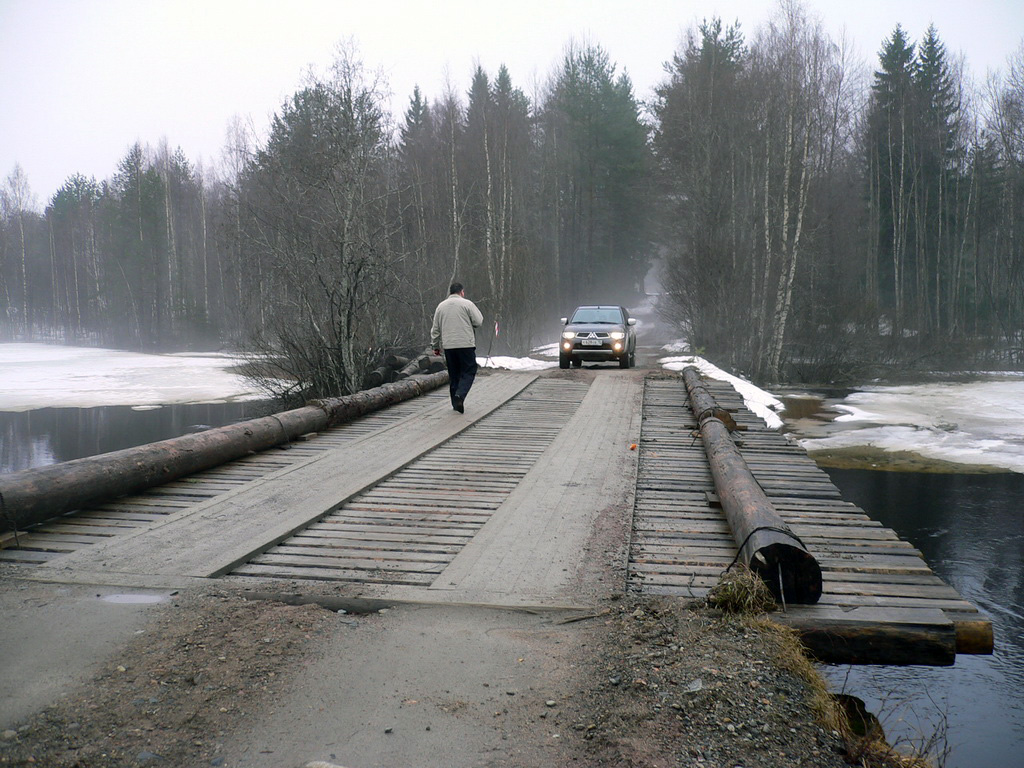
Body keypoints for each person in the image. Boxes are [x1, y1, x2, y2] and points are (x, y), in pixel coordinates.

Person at [431, 282, 483, 413]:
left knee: (454, 374)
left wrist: (435, 345)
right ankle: (460, 395)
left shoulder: (440, 306)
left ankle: (455, 403)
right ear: (462, 292)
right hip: (465, 344)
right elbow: (478, 321)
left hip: (449, 346)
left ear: (450, 292)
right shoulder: (467, 304)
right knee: (469, 370)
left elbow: (435, 329)